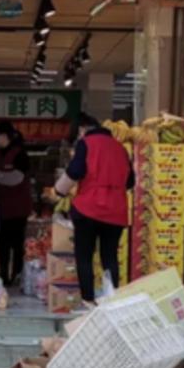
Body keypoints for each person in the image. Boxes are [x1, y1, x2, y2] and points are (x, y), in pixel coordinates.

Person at [56, 112, 135, 302]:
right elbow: (130, 181)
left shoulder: (87, 144)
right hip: (116, 210)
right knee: (109, 257)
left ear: (83, 129)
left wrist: (59, 190)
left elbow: (75, 171)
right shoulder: (120, 148)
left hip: (88, 209)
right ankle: (112, 299)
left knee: (84, 256)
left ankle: (88, 300)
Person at [0, 121, 34, 286]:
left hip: (18, 208)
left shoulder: (20, 155)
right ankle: (4, 276)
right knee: (3, 244)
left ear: (4, 135)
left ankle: (18, 274)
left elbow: (17, 178)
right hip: (1, 207)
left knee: (16, 243)